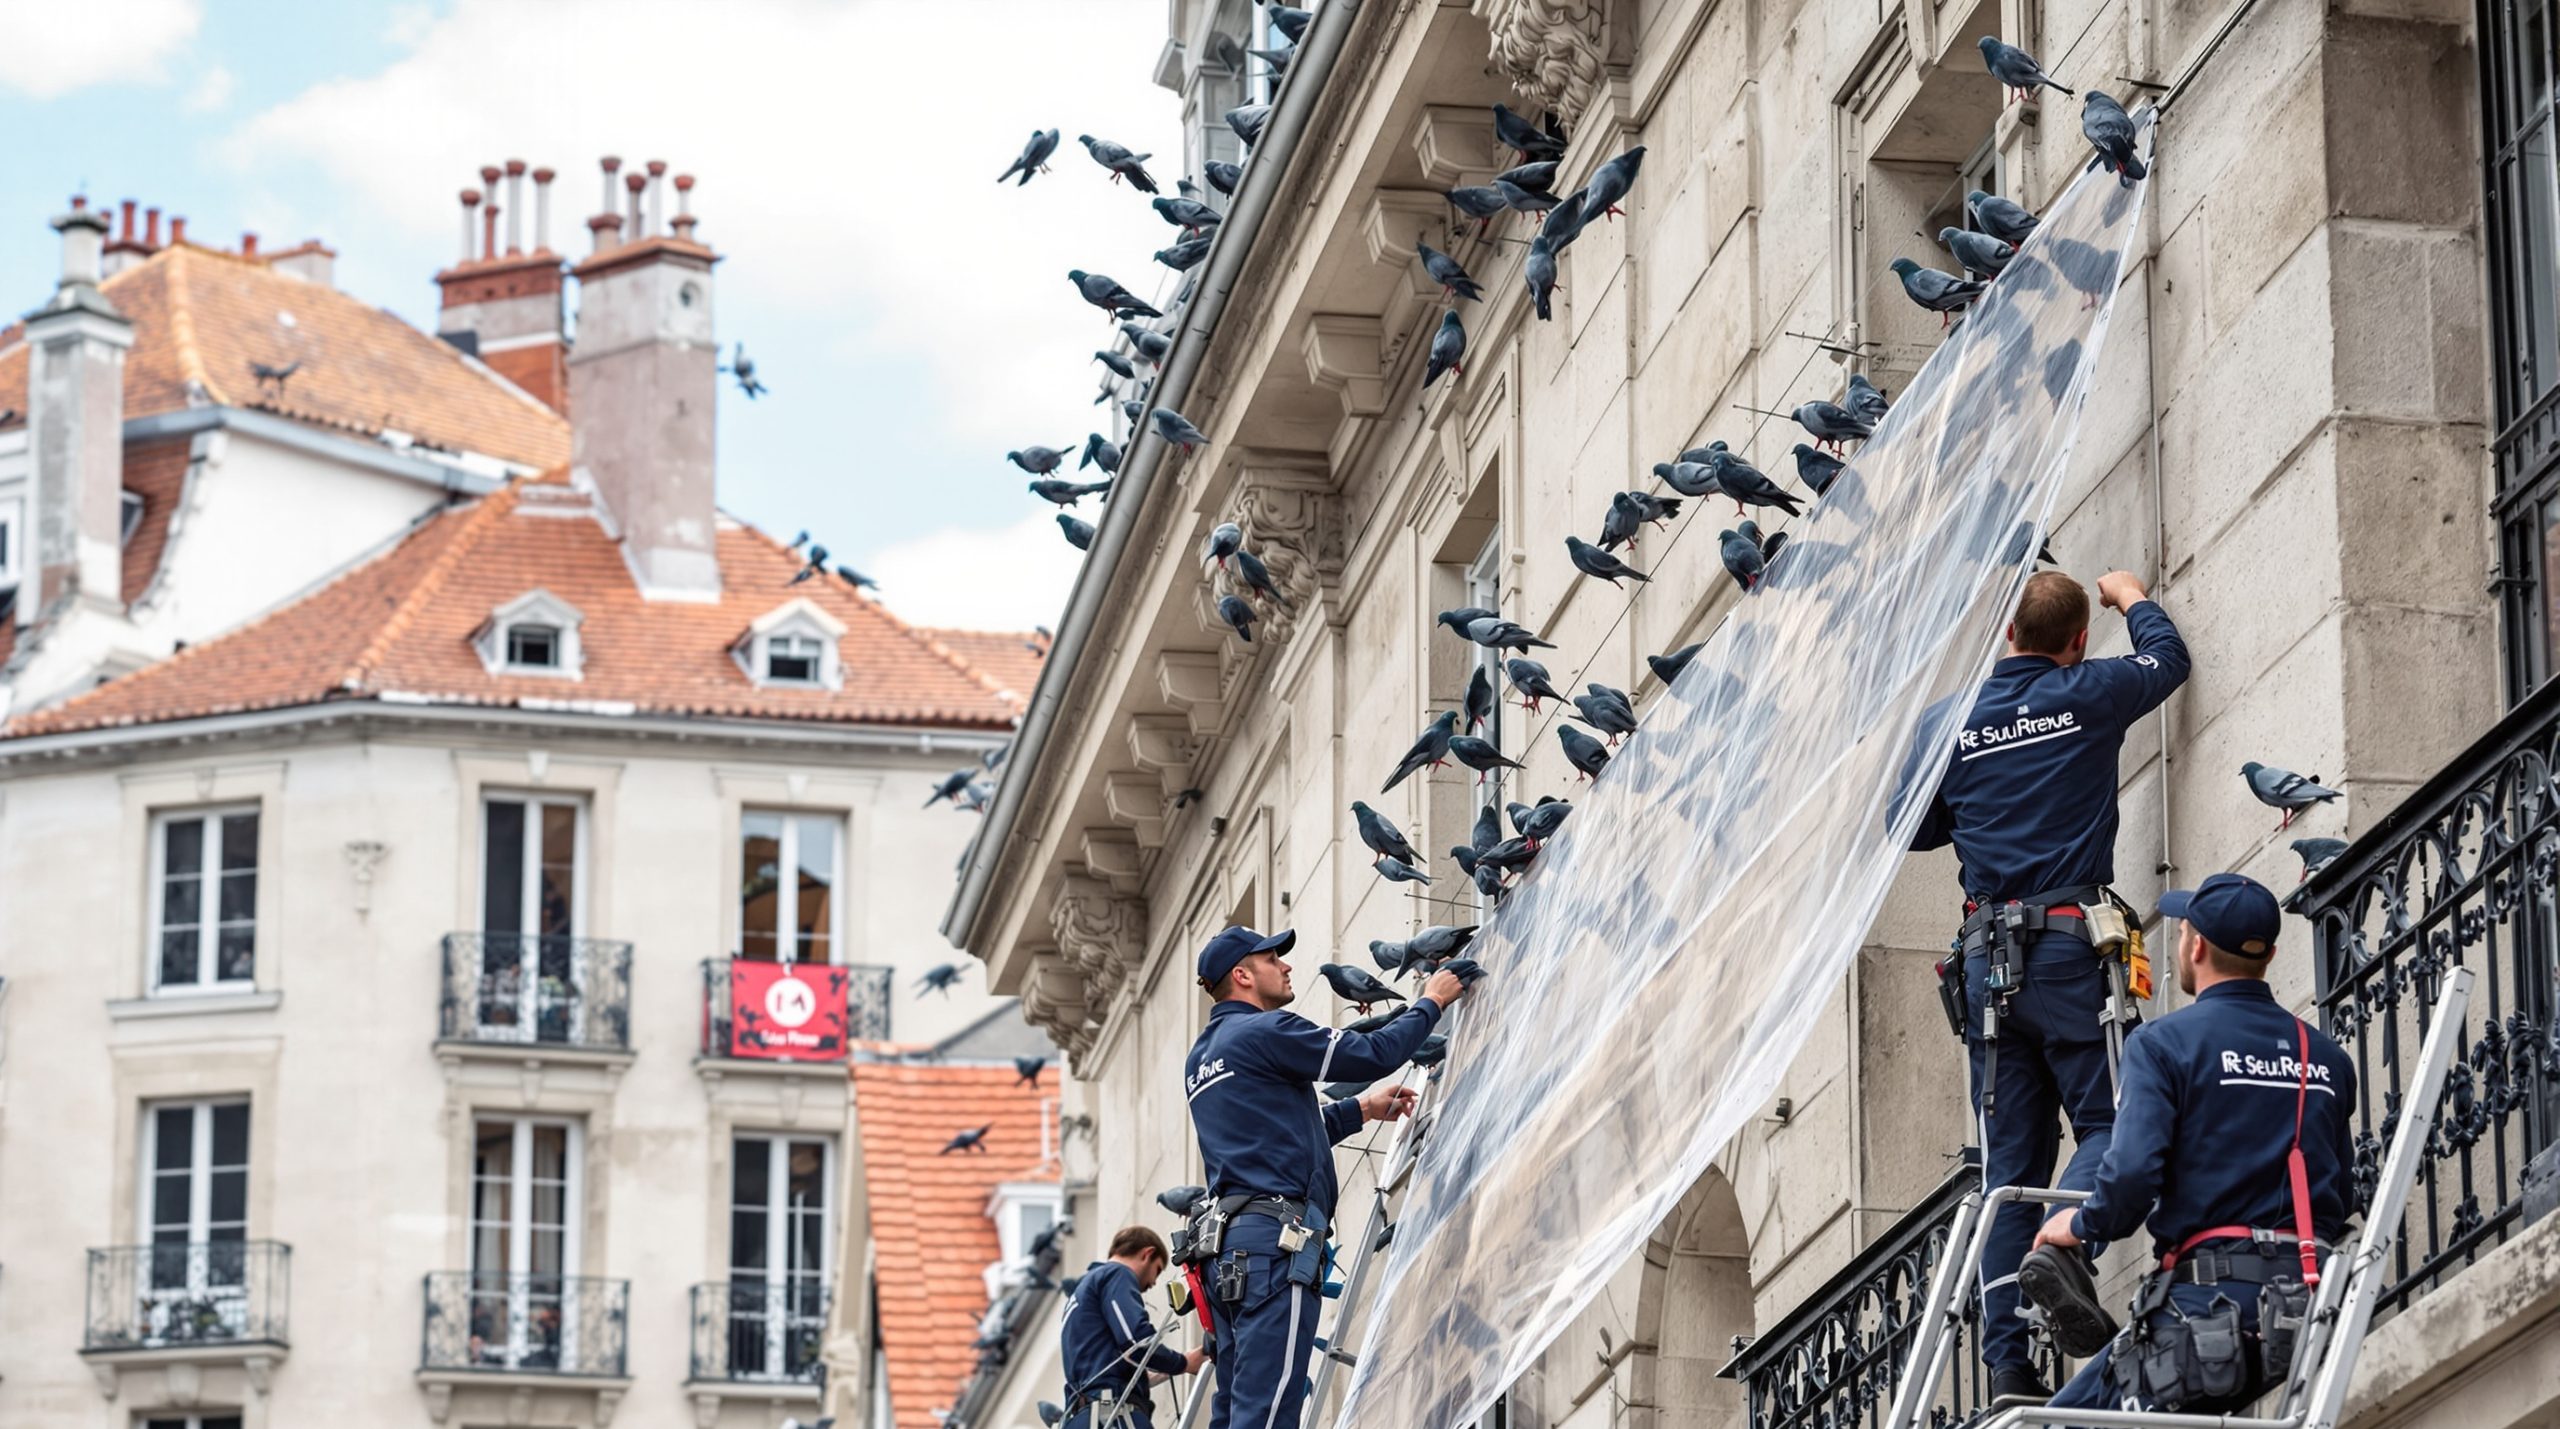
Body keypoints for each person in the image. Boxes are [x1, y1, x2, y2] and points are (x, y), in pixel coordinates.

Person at [1911, 569, 2190, 1403]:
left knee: (2007, 1168)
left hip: (1987, 965)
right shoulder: (2090, 689)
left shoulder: (1950, 724)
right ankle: (2066, 1244)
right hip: (2070, 950)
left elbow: (1912, 824)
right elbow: (2167, 659)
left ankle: (2007, 1365)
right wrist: (2130, 595)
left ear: (2006, 636)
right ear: (2075, 641)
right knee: (2114, 1116)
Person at [2023, 872, 2357, 1412]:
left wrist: (2080, 1225)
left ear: (2195, 945)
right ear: (2269, 956)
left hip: (2203, 1319)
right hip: (2309, 1317)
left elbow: (2131, 1174)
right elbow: (2341, 1195)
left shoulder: (2163, 1044)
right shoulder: (2326, 1058)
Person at [1182, 925, 1471, 1429]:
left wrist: (1357, 1109)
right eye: (1274, 958)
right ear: (1243, 975)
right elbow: (1374, 1053)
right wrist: (1431, 1001)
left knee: (1234, 1413)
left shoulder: (1203, 1057)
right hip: (1272, 1250)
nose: (1288, 966)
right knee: (1269, 1416)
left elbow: (1270, 1135)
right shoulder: (1266, 1031)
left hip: (1226, 1255)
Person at [1059, 1226, 1208, 1429]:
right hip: (1112, 1415)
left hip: (1084, 1417)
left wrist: (1178, 1366)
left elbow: (1118, 1364)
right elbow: (1135, 1344)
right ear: (1147, 1253)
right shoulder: (1116, 1274)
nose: (1154, 1283)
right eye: (1157, 1270)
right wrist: (1181, 1363)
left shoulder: (1082, 1292)